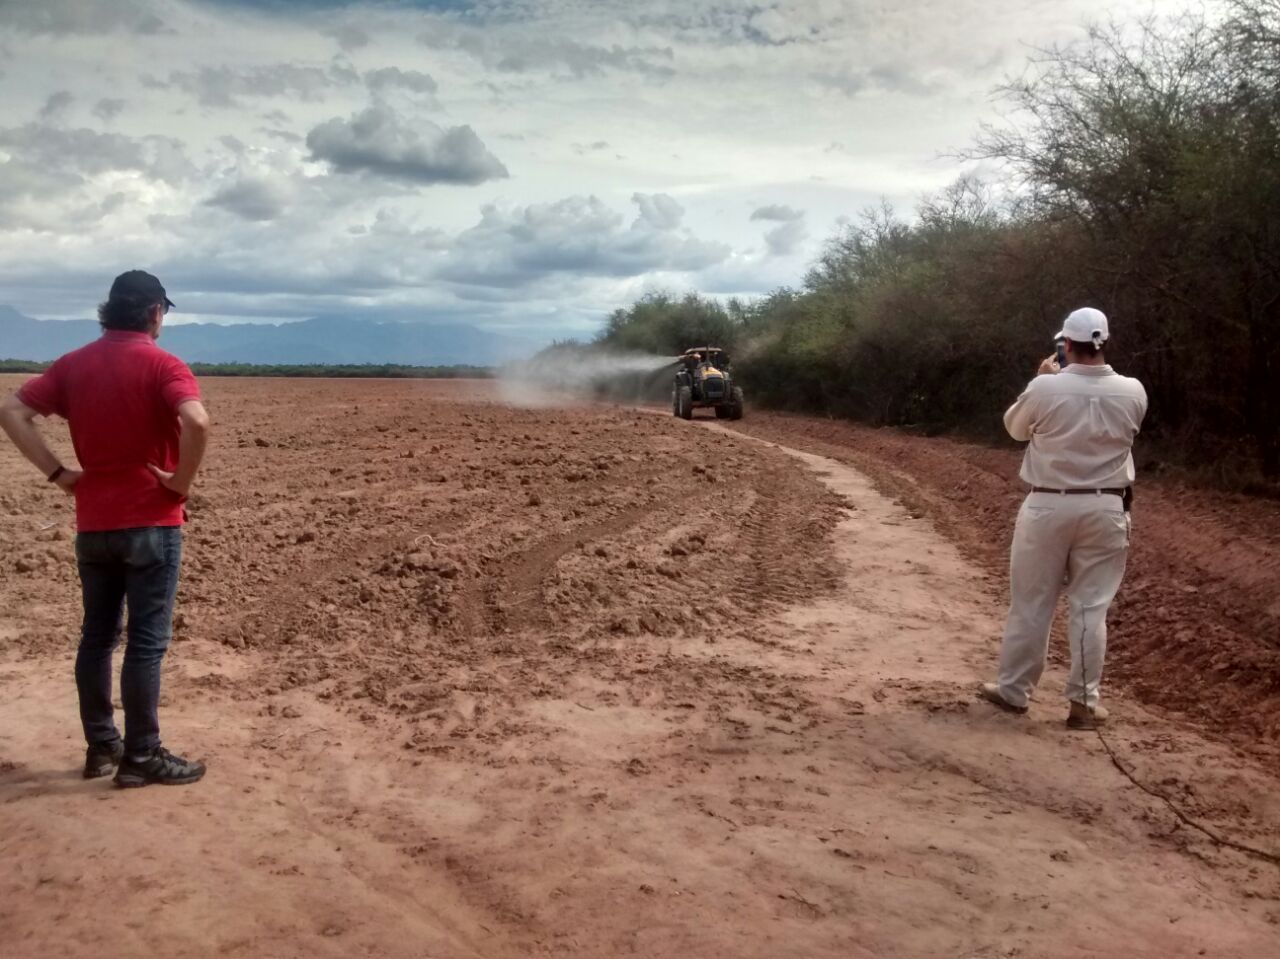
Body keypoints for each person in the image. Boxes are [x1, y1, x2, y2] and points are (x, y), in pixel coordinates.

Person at [0, 270, 212, 786]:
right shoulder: (164, 364)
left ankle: (101, 748)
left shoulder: (73, 365)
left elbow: (11, 410)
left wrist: (59, 474)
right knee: (145, 642)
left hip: (93, 525)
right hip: (152, 524)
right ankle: (142, 756)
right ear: (155, 312)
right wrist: (180, 482)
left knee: (96, 637)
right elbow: (197, 421)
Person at [979, 307, 1148, 730]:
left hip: (1047, 504)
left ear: (1066, 344)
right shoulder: (1134, 391)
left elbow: (1015, 429)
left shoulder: (1045, 387)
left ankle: (1014, 691)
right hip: (1107, 507)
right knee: (1091, 608)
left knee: (1031, 603)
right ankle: (1084, 704)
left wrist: (1042, 380)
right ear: (1103, 342)